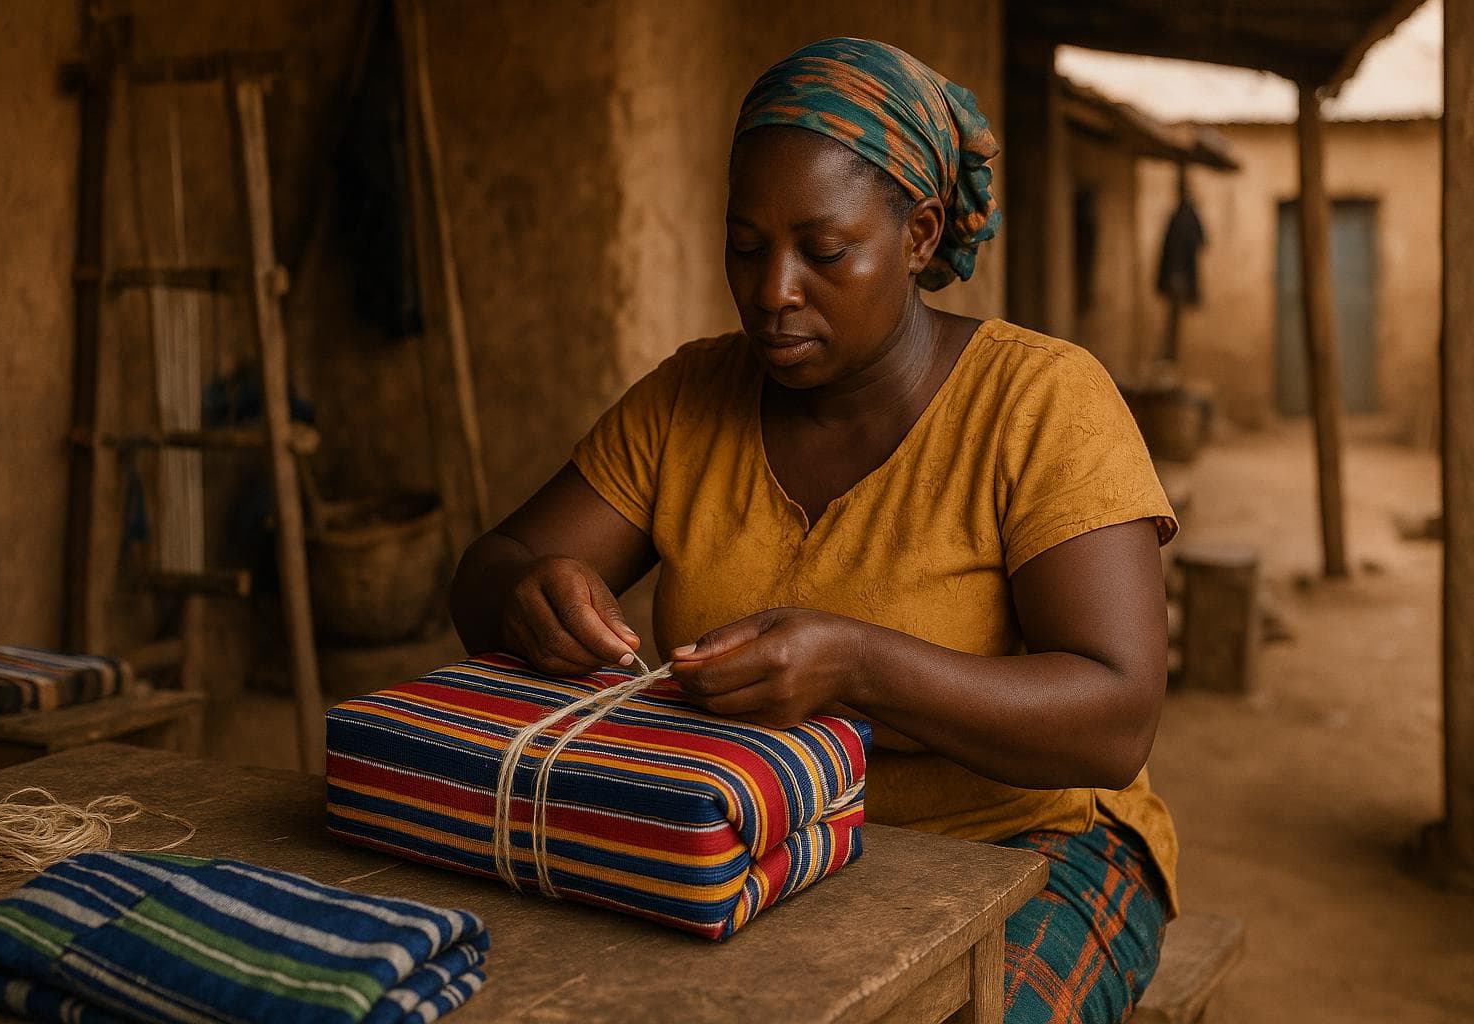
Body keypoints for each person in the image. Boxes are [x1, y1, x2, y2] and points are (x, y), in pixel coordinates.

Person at [451, 36, 1177, 1024]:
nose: (772, 289)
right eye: (744, 247)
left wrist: (857, 664)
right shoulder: (689, 399)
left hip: (1031, 845)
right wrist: (526, 598)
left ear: (920, 236)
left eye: (822, 252)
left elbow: (1115, 715)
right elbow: (494, 565)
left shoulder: (1041, 404)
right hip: (758, 830)